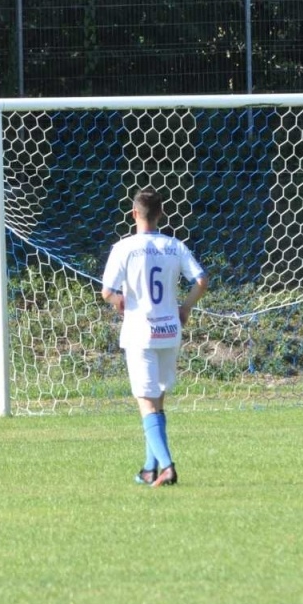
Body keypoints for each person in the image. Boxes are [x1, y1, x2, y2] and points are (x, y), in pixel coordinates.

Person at [101, 188, 209, 487]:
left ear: (134, 213)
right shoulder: (174, 246)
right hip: (169, 332)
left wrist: (118, 302)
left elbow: (107, 291)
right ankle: (149, 468)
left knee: (146, 404)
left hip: (140, 333)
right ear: (160, 214)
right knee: (158, 403)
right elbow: (201, 281)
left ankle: (167, 466)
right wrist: (185, 308)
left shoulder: (123, 248)